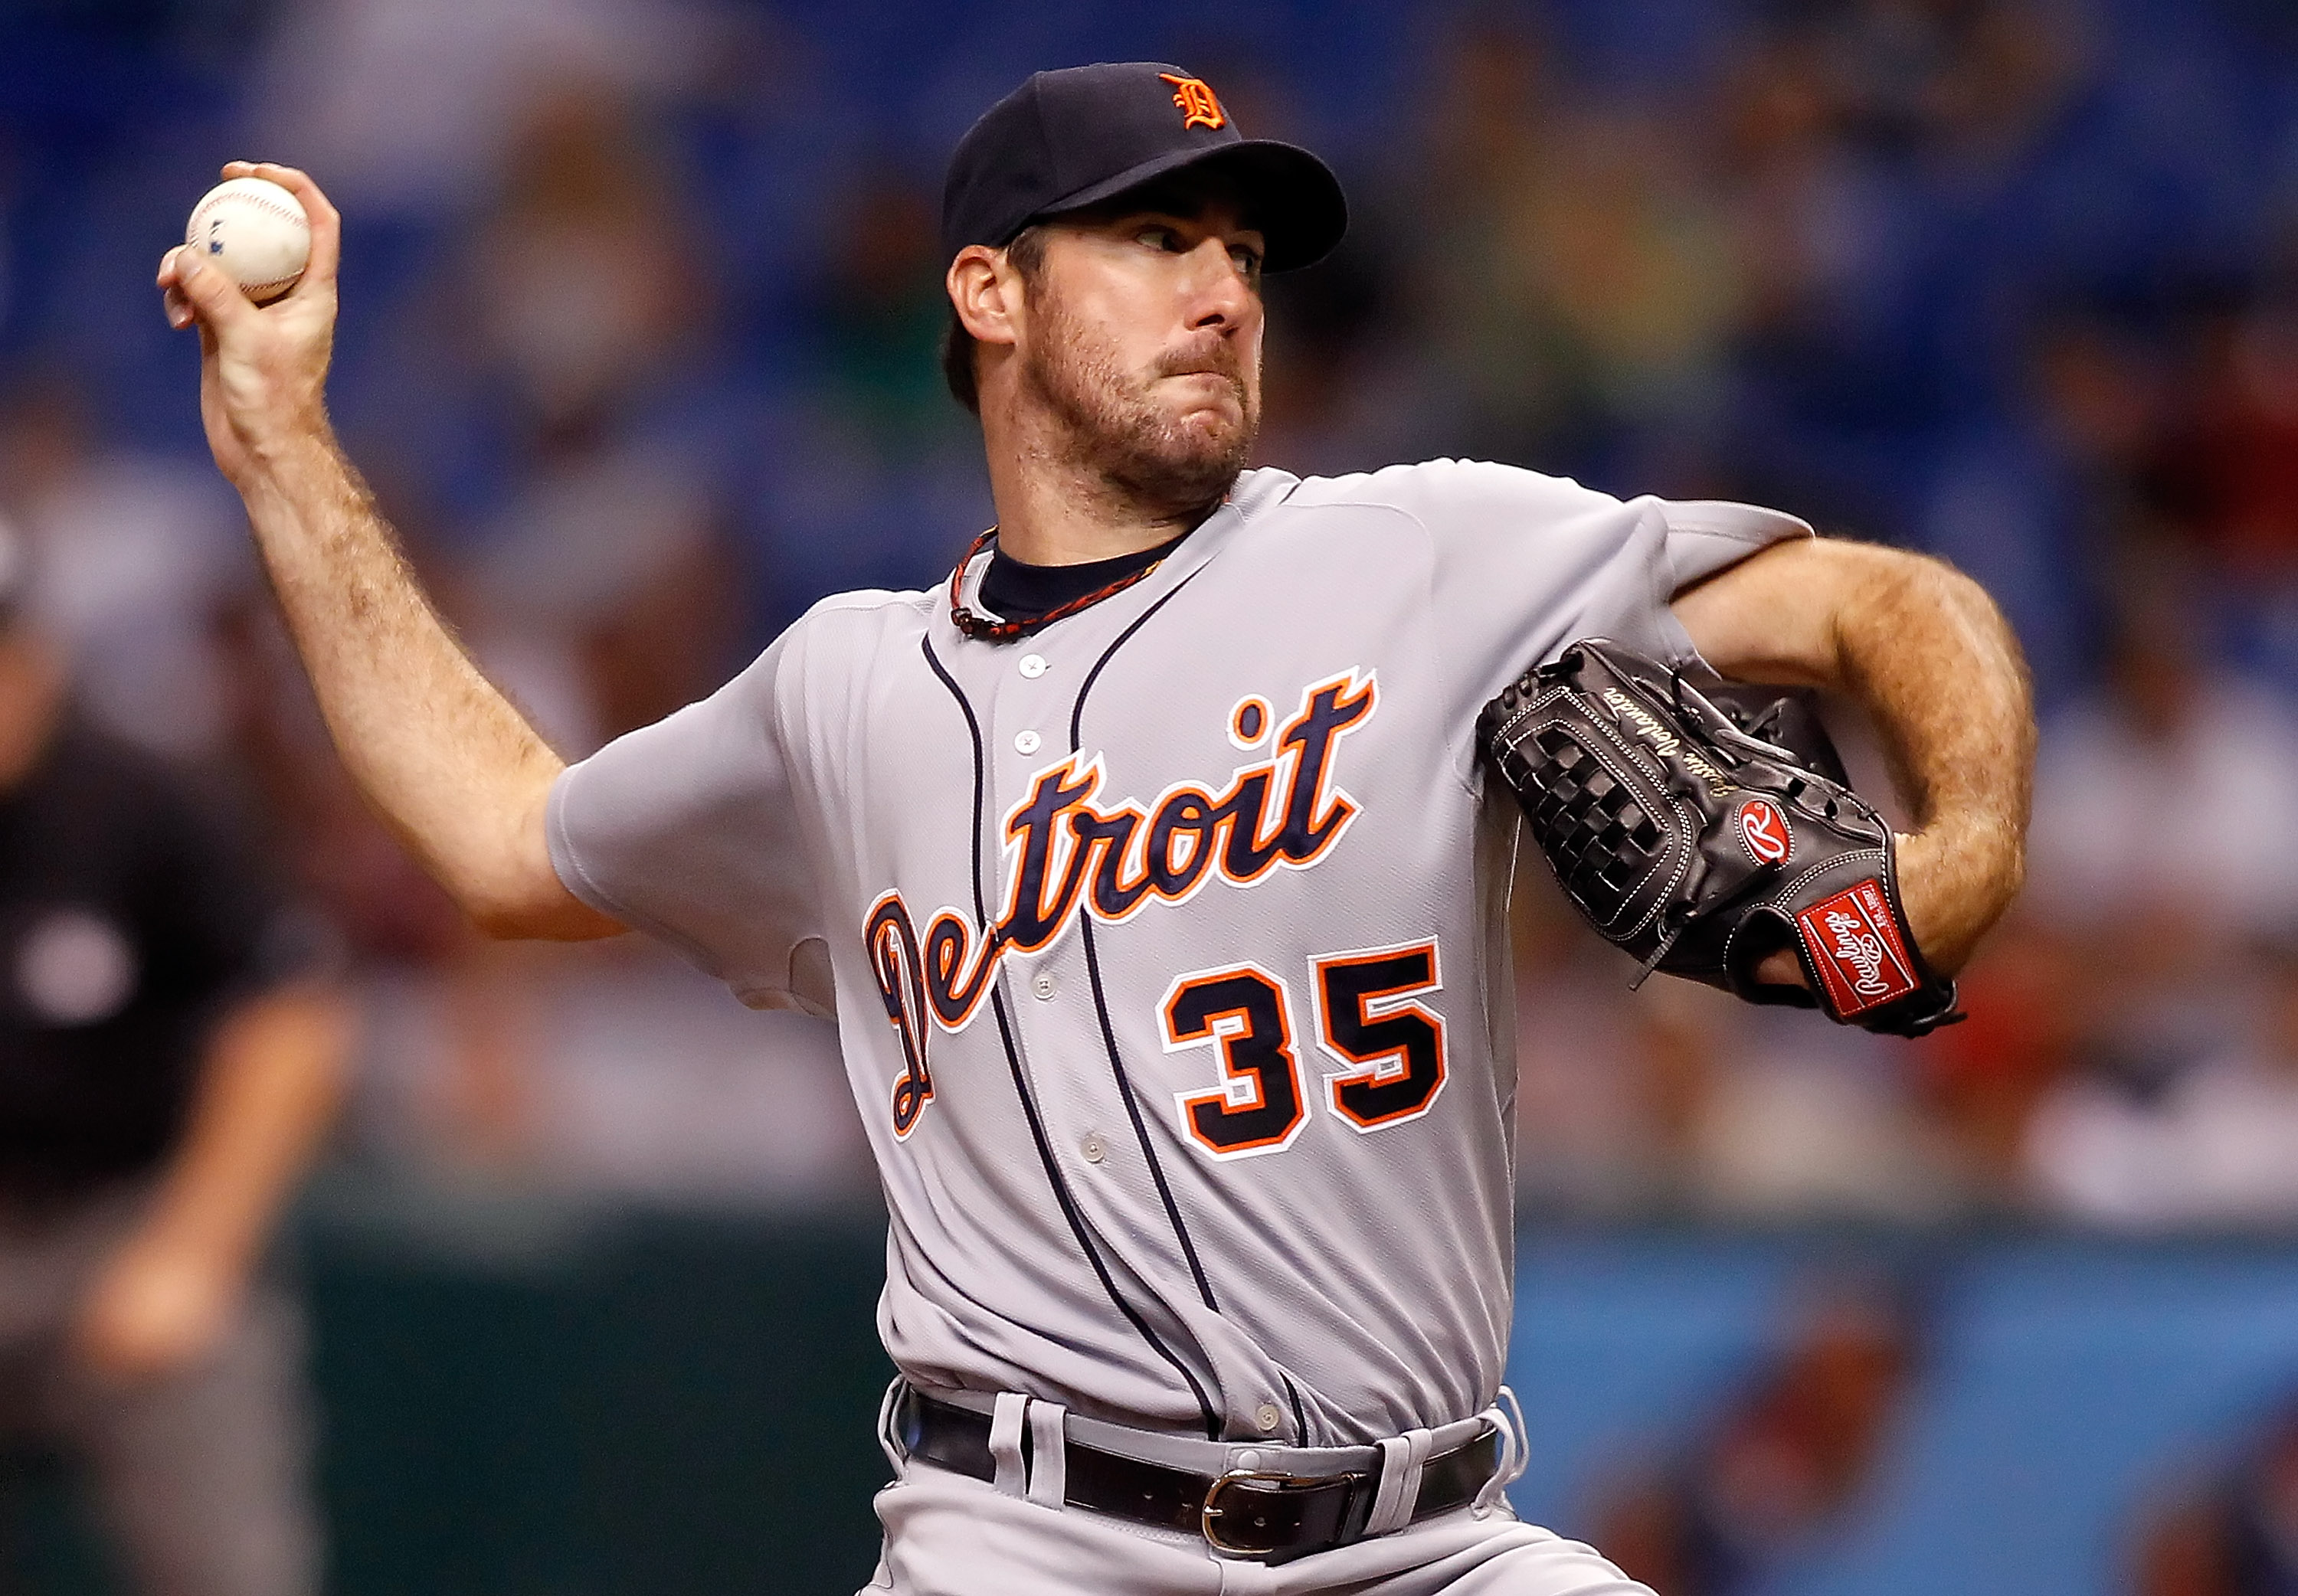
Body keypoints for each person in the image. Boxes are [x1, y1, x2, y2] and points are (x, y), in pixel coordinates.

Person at [156, 61, 2031, 1596]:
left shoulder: (1429, 550)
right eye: (1156, 237)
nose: (1225, 287)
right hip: (1023, 1541)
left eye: (1244, 252)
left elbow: (1871, 602)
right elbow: (504, 839)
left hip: (1435, 1543)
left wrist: (1957, 866)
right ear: (991, 292)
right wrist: (280, 439)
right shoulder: (842, 691)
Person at [0, 527, 350, 1595]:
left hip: (120, 1223)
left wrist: (194, 1248)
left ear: (36, 658)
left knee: (229, 1561)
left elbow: (292, 1017)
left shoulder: (137, 800)